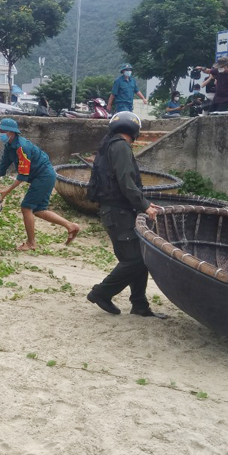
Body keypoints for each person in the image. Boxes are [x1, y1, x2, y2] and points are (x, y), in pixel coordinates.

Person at [86, 111, 166, 318]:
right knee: (136, 260)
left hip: (117, 210)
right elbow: (126, 181)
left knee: (138, 258)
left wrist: (144, 203)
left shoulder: (110, 145)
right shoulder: (120, 146)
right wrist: (145, 206)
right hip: (118, 212)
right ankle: (101, 292)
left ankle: (139, 305)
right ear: (135, 130)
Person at [0, 118, 80, 251]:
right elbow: (1, 169)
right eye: (0, 131)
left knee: (26, 207)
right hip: (42, 176)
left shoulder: (22, 148)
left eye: (3, 131)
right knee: (39, 210)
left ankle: (31, 243)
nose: (0, 134)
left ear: (11, 133)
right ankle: (71, 226)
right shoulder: (9, 146)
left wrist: (6, 191)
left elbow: (22, 176)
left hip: (43, 176)